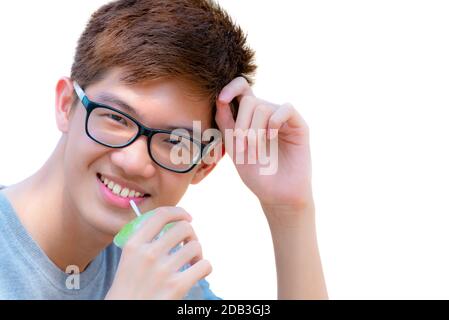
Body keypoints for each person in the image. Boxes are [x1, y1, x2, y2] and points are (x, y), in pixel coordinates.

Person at [0, 0, 327, 299]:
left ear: (204, 165)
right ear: (66, 104)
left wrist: (290, 210)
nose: (134, 162)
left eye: (175, 141)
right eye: (116, 118)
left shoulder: (157, 268)